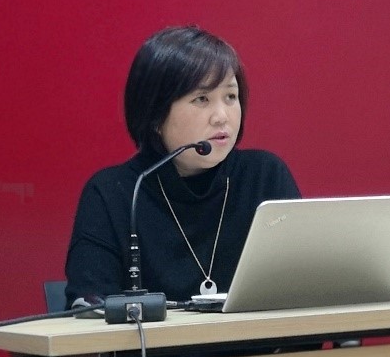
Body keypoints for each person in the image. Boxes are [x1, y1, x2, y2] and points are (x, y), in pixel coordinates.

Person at [65, 25, 300, 306]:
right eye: (202, 99)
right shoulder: (114, 194)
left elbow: (305, 287)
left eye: (230, 97)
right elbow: (89, 309)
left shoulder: (265, 177)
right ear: (155, 115)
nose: (222, 117)